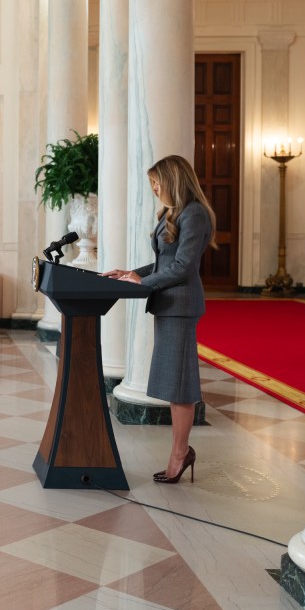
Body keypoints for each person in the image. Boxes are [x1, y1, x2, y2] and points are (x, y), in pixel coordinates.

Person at [102, 154, 217, 485]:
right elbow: (164, 262)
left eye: (158, 181)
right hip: (169, 304)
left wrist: (143, 284)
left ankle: (180, 455)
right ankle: (181, 451)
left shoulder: (194, 214)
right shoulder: (173, 213)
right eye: (151, 182)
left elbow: (183, 267)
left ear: (174, 180)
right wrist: (131, 274)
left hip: (180, 306)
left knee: (180, 386)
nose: (154, 188)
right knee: (174, 383)